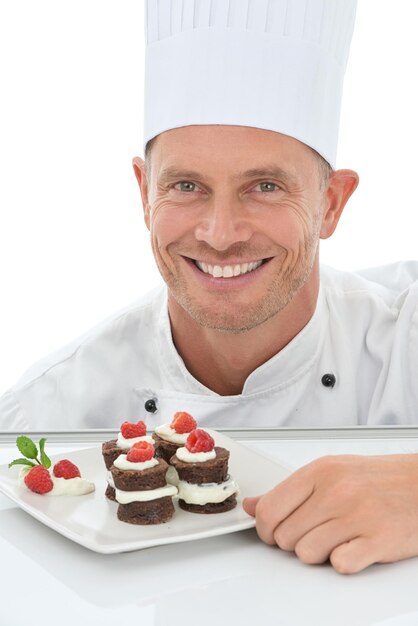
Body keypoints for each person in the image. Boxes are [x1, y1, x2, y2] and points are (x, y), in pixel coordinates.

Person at [2, 0, 418, 573]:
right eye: (188, 185)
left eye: (266, 186)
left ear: (330, 203)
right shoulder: (44, 416)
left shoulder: (406, 342)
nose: (220, 236)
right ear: (144, 192)